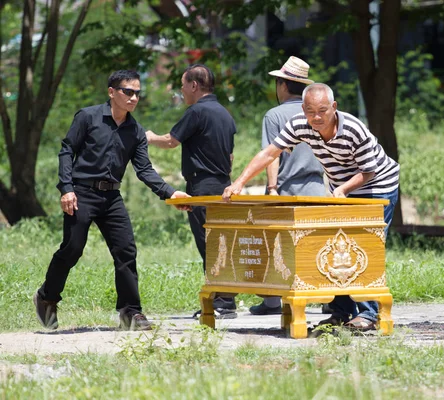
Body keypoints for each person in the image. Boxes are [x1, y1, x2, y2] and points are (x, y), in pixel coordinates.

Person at [223, 83, 399, 331]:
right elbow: (269, 154)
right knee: (335, 243)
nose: (316, 117)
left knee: (364, 243)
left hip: (377, 184)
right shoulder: (299, 124)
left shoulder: (353, 129)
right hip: (342, 188)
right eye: (310, 111)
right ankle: (341, 311)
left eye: (322, 111)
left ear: (334, 108)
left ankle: (369, 314)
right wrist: (239, 183)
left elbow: (368, 171)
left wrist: (342, 190)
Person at [33, 70, 190, 331]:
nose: (133, 97)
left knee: (126, 250)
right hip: (81, 193)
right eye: (127, 91)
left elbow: (144, 169)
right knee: (73, 248)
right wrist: (66, 188)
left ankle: (131, 312)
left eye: (137, 93)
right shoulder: (88, 117)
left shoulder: (135, 131)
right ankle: (47, 296)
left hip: (111, 197)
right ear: (112, 92)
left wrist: (171, 193)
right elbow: (66, 150)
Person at [145, 64, 238, 319]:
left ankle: (222, 301)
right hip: (223, 186)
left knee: (208, 244)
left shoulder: (196, 111)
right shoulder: (225, 114)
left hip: (202, 186)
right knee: (221, 243)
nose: (182, 90)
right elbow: (229, 157)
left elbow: (171, 141)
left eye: (184, 85)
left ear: (194, 86)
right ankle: (226, 299)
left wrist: (149, 137)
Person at [249, 56, 325, 316]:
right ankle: (328, 297)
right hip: (317, 186)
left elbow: (272, 154)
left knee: (276, 244)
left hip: (287, 188)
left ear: (282, 84)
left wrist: (271, 188)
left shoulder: (274, 115)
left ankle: (272, 300)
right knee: (317, 244)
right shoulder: (318, 111)